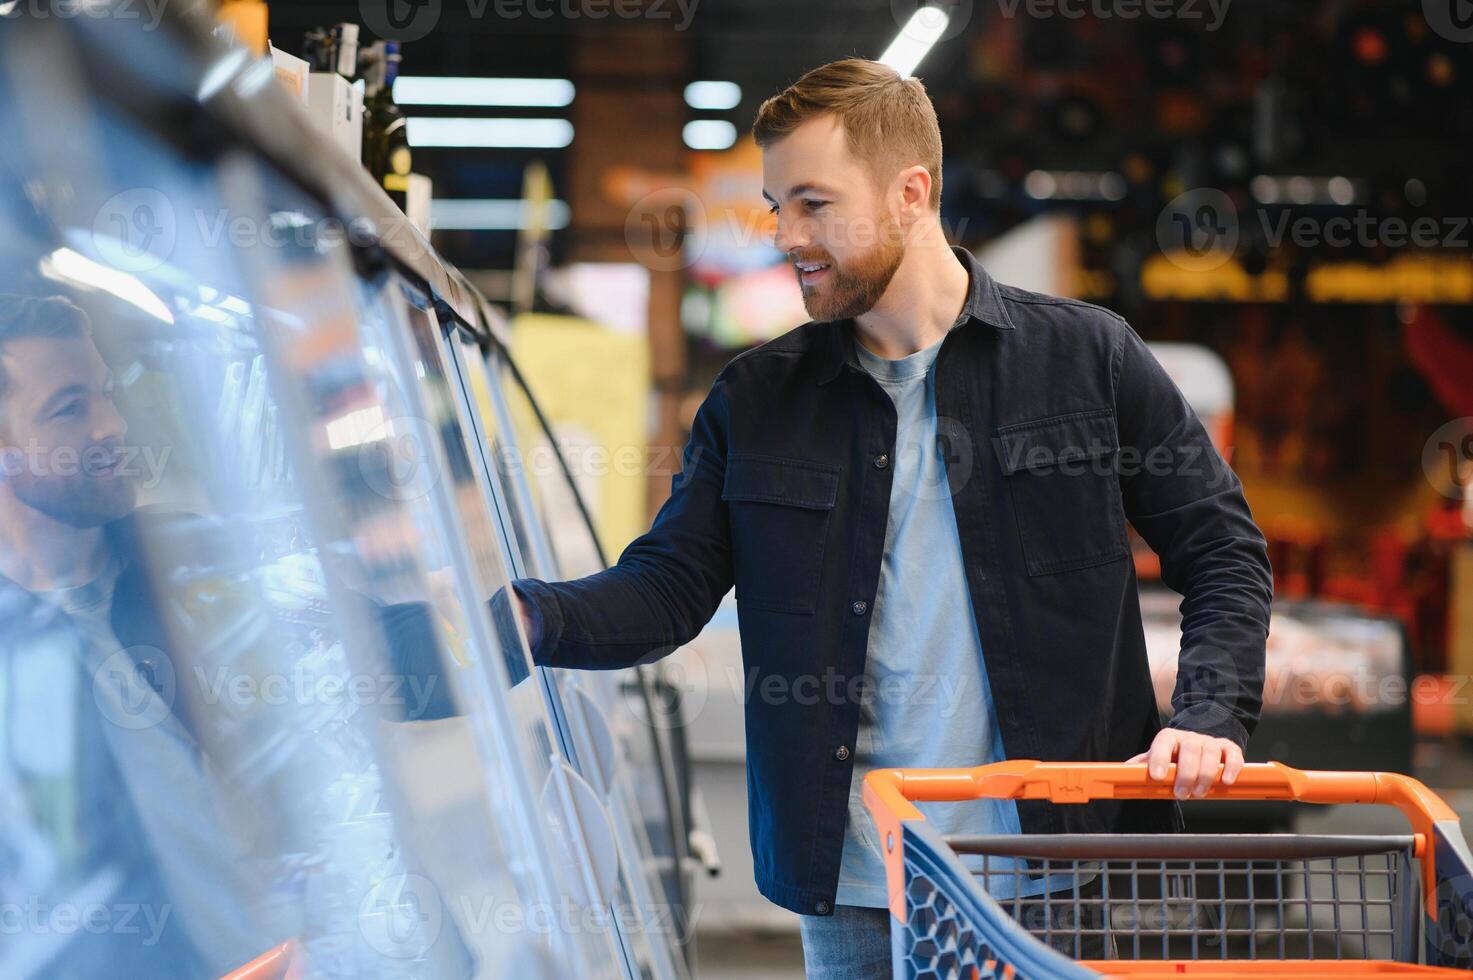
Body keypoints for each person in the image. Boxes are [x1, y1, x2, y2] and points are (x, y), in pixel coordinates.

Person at [509, 59, 1273, 978]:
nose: (784, 235)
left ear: (910, 193)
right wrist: (526, 620)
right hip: (857, 883)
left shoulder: (1087, 359)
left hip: (1055, 872)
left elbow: (1220, 546)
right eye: (774, 204)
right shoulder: (758, 401)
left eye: (812, 203)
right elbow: (666, 589)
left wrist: (1209, 715)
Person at [0, 293, 466, 977]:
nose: (111, 424)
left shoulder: (186, 560)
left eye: (105, 395)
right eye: (70, 409)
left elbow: (379, 651)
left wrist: (535, 622)